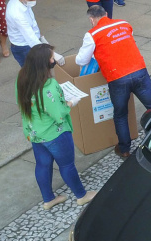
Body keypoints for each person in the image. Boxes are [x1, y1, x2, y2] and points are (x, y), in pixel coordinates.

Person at [75, 5, 151, 158]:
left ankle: (124, 149)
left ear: (91, 19)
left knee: (121, 114)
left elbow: (81, 60)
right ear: (107, 14)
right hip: (139, 71)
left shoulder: (92, 34)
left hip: (117, 78)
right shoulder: (123, 24)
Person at [16, 43, 96, 210]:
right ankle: (82, 195)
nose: (54, 60)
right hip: (55, 134)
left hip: (35, 132)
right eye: (51, 57)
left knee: (43, 164)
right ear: (43, 63)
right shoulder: (49, 86)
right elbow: (59, 113)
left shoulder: (23, 77)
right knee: (67, 165)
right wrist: (71, 101)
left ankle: (48, 199)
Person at [6, 0, 63, 68]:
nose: (34, 2)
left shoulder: (22, 2)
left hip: (31, 42)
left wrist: (41, 37)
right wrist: (53, 54)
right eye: (31, 0)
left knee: (45, 67)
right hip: (24, 47)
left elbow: (32, 23)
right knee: (34, 73)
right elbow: (31, 39)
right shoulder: (17, 15)